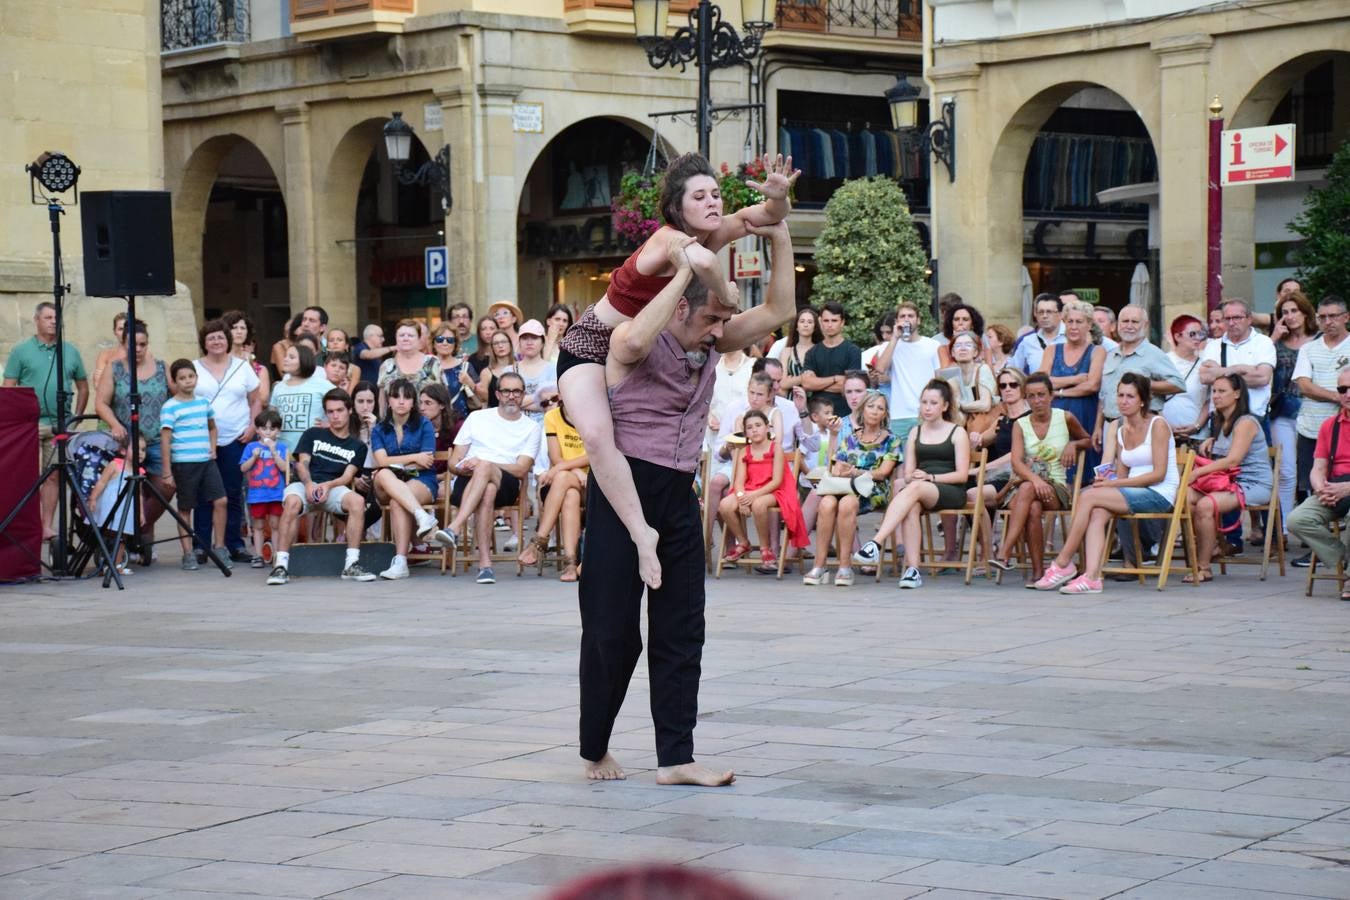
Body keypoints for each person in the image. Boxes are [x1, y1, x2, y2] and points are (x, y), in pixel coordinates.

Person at [579, 216, 795, 787]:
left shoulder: (711, 334)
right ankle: (595, 746)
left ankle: (677, 758)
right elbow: (629, 339)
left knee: (682, 628)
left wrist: (776, 229)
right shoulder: (633, 343)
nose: (718, 331)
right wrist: (682, 274)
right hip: (620, 494)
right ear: (679, 309)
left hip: (676, 493)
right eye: (709, 319)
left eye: (722, 321)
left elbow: (778, 310)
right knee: (611, 632)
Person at [555, 152, 797, 592]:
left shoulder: (714, 231)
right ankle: (639, 531)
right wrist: (728, 296)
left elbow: (761, 216)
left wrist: (779, 200)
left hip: (649, 347)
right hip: (590, 345)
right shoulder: (666, 239)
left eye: (716, 195)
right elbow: (703, 266)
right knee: (595, 435)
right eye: (699, 196)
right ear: (676, 207)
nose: (712, 203)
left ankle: (650, 533)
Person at [1034, 372, 1180, 594]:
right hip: (1133, 490)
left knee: (1088, 496)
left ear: (1142, 400)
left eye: (1130, 396)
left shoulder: (1157, 425)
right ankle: (1092, 577)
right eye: (1120, 395)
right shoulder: (1121, 430)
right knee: (1098, 511)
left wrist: (1111, 486)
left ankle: (1063, 562)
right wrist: (1107, 480)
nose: (1123, 401)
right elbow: (1121, 474)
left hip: (1159, 493)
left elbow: (1159, 474)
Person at [852, 380, 970, 589]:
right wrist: (914, 477)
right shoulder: (916, 431)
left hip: (949, 488)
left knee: (912, 489)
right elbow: (907, 474)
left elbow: (962, 475)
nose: (927, 407)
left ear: (944, 406)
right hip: (920, 488)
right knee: (910, 503)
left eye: (933, 403)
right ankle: (912, 570)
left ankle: (876, 542)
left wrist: (929, 478)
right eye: (924, 402)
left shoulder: (957, 432)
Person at [265, 389, 377, 585]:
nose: (335, 416)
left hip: (334, 487)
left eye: (339, 410)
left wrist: (327, 485)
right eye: (330, 411)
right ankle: (280, 566)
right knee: (291, 502)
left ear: (349, 411)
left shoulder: (357, 446)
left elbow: (347, 476)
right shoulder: (313, 434)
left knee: (357, 501)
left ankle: (352, 564)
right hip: (304, 484)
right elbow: (302, 463)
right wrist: (309, 484)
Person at [988, 373, 1091, 582]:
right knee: (1032, 505)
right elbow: (1016, 461)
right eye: (1032, 396)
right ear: (1026, 398)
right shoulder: (1021, 424)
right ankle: (1037, 573)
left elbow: (1088, 440)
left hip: (1057, 487)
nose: (1037, 401)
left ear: (1051, 395)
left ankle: (1004, 552)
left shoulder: (1065, 418)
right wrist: (1036, 480)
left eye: (1042, 395)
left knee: (1027, 489)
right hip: (1030, 484)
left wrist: (1074, 444)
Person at [442, 372, 540, 584]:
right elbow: (454, 461)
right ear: (497, 394)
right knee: (487, 490)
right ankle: (485, 565)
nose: (511, 396)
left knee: (485, 466)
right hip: (468, 480)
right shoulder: (477, 418)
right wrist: (466, 467)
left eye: (516, 391)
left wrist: (484, 464)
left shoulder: (531, 428)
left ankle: (455, 527)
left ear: (523, 395)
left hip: (507, 483)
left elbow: (521, 469)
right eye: (506, 391)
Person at [3, 301, 89, 541]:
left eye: (56, 318)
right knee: (24, 475)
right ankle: (21, 524)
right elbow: (8, 390)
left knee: (53, 475)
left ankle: (46, 526)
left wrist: (76, 419)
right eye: (48, 317)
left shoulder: (69, 351)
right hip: (29, 425)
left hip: (60, 424)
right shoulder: (21, 351)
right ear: (37, 320)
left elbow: (83, 386)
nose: (53, 322)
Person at [93, 320, 174, 552]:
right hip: (126, 441)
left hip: (157, 440)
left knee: (167, 486)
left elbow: (175, 394)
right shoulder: (114, 367)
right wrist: (114, 424)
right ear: (123, 343)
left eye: (142, 344)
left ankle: (139, 528)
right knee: (121, 487)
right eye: (133, 345)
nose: (137, 349)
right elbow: (101, 403)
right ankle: (121, 533)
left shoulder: (160, 366)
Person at [1185, 373, 1272, 583]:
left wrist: (1197, 472)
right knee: (1184, 497)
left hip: (1253, 483)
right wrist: (1210, 442)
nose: (1216, 396)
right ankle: (1212, 544)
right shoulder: (1220, 421)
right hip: (1228, 482)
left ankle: (1203, 567)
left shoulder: (1246, 422)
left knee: (1205, 505)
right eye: (1214, 391)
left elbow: (1233, 460)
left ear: (1237, 394)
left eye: (1222, 391)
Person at [193, 318, 262, 563]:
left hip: (236, 436)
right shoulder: (194, 368)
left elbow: (256, 399)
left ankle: (234, 544)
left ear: (228, 340)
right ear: (204, 342)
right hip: (202, 439)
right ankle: (201, 545)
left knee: (233, 492)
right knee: (203, 494)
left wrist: (253, 425)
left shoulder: (242, 367)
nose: (216, 341)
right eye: (211, 337)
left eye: (220, 337)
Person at [371, 378, 454, 580]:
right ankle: (421, 515)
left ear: (412, 402)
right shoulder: (379, 429)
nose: (401, 402)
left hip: (422, 479)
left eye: (407, 397)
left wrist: (398, 462)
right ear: (388, 401)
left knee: (397, 500)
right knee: (383, 473)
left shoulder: (423, 424)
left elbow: (425, 462)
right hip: (387, 482)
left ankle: (400, 561)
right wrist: (413, 457)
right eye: (396, 397)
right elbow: (381, 461)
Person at [1291, 295, 1350, 566]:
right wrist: (1337, 397)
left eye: (1334, 316)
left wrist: (1338, 398)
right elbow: (1303, 385)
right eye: (1323, 317)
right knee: (1309, 487)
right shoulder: (1309, 349)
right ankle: (1335, 555)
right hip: (1314, 425)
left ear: (1346, 317)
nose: (1328, 322)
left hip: (1340, 427)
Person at [717, 409, 809, 574]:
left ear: (768, 427)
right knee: (724, 504)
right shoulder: (744, 451)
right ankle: (744, 543)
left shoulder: (776, 449)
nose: (754, 429)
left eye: (758, 425)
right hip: (748, 490)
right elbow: (738, 482)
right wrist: (740, 498)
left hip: (773, 490)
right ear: (745, 432)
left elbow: (777, 481)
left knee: (759, 505)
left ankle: (765, 549)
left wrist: (751, 497)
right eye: (750, 427)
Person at [1286, 366, 1350, 598]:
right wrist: (1320, 488)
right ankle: (1341, 556)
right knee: (1296, 519)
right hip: (1334, 487)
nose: (1348, 394)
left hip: (1347, 487)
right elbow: (1318, 468)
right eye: (1343, 389)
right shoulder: (1329, 426)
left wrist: (1346, 488)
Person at [160, 359, 227, 571]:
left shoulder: (203, 403)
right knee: (186, 507)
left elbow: (212, 428)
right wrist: (167, 470)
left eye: (191, 376)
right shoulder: (170, 407)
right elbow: (165, 439)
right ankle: (188, 552)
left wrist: (213, 447)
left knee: (221, 500)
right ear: (174, 381)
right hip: (184, 463)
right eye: (182, 378)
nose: (188, 381)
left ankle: (219, 546)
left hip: (206, 461)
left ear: (196, 378)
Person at [1094, 304, 1183, 462]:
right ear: (1117, 325)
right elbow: (1104, 396)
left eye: (1134, 322)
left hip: (1139, 426)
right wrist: (1098, 427)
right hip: (1110, 426)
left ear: (1145, 325)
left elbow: (1178, 384)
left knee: (1134, 477)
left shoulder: (1154, 354)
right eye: (1125, 321)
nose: (1129, 326)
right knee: (1109, 476)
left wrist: (1143, 385)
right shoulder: (1111, 354)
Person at [519, 399, 588, 582]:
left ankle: (539, 542)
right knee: (570, 495)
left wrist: (559, 469)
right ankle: (571, 563)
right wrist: (574, 471)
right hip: (564, 482)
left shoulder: (593, 414)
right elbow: (555, 457)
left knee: (562, 479)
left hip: (591, 484)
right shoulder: (552, 416)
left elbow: (595, 453)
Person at [1268, 290, 1317, 541]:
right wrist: (1274, 337)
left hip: (1314, 410)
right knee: (1286, 471)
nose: (1290, 316)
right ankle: (1284, 528)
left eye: (1294, 310)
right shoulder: (1275, 343)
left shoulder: (1318, 340)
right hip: (1282, 412)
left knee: (1312, 472)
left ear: (1305, 312)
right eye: (1285, 312)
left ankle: (1311, 528)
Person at [1040, 300, 1105, 475]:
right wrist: (1076, 378)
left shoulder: (1097, 351)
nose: (1074, 326)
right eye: (1070, 321)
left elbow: (1092, 385)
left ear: (1089, 324)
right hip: (1054, 418)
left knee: (1083, 474)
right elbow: (1042, 382)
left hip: (1085, 416)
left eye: (1079, 322)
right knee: (1054, 472)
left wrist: (1059, 391)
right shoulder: (1052, 350)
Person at [873, 301, 940, 454]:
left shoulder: (933, 345)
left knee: (925, 460)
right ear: (896, 321)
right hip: (899, 415)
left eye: (910, 316)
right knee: (899, 464)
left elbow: (940, 380)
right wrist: (895, 338)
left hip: (927, 413)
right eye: (902, 316)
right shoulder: (889, 346)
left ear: (918, 320)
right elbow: (880, 369)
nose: (906, 319)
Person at [1200, 298, 1277, 426]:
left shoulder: (1263, 342)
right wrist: (1242, 369)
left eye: (1237, 318)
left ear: (1249, 319)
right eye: (1227, 318)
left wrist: (1223, 371)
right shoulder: (1213, 346)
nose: (1231, 323)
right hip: (1221, 418)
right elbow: (1205, 376)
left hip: (1254, 417)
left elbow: (1262, 378)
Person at [86, 434, 143, 575]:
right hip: (110, 507)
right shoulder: (115, 465)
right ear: (123, 451)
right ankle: (104, 562)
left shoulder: (140, 472)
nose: (141, 453)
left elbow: (139, 494)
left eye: (143, 450)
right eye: (137, 449)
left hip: (127, 509)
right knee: (108, 535)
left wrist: (141, 512)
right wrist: (93, 498)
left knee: (122, 538)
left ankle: (116, 565)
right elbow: (102, 482)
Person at [239, 408, 288, 568]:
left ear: (278, 431)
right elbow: (243, 468)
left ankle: (276, 555)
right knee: (257, 526)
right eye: (264, 428)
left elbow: (284, 468)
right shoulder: (250, 447)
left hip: (276, 494)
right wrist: (254, 456)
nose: (268, 432)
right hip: (257, 494)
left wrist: (274, 452)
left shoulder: (281, 448)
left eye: (272, 429)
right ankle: (258, 555)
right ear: (258, 430)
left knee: (275, 525)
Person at [271, 343, 336, 454]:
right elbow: (272, 416)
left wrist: (331, 424)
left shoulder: (323, 385)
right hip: (282, 450)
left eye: (291, 357)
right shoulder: (278, 387)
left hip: (314, 450)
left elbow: (345, 406)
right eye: (285, 356)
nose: (285, 359)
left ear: (304, 360)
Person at [800, 302, 861, 417]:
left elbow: (849, 386)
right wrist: (835, 379)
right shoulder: (812, 353)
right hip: (818, 417)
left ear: (842, 322)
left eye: (834, 321)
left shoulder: (853, 351)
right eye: (826, 320)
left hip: (844, 415)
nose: (829, 325)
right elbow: (807, 384)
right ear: (820, 321)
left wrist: (818, 383)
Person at [1162, 314, 1211, 440]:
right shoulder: (1162, 361)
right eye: (1192, 334)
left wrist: (1196, 426)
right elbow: (1151, 400)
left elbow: (1209, 400)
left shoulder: (1205, 364)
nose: (1197, 338)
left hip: (1197, 435)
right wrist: (1165, 426)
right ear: (1178, 336)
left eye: (1200, 334)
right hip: (1164, 434)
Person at [378, 319, 441, 403]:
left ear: (419, 338)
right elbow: (382, 401)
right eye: (401, 335)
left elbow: (443, 396)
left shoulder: (432, 362)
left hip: (427, 416)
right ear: (396, 338)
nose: (405, 338)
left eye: (410, 335)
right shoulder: (387, 366)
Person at [222, 311, 272, 406]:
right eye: (234, 328)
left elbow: (263, 399)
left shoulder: (256, 366)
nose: (239, 331)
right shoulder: (218, 359)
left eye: (243, 328)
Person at [516, 319, 559, 421]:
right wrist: (541, 397)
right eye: (525, 338)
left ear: (543, 342)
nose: (529, 342)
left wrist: (520, 401)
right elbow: (507, 402)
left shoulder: (553, 369)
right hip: (515, 430)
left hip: (546, 429)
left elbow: (553, 404)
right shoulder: (509, 370)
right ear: (519, 342)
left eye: (534, 338)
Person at [1010, 293, 1065, 373]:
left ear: (1061, 314)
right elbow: (1013, 371)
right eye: (1041, 312)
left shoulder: (1071, 337)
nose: (1044, 316)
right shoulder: (1028, 341)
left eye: (1049, 312)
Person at [777, 306, 821, 395]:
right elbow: (782, 384)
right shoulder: (787, 351)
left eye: (810, 322)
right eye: (802, 321)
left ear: (815, 327)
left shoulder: (821, 350)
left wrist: (792, 380)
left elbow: (822, 380)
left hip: (816, 402)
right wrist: (803, 377)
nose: (805, 325)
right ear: (796, 326)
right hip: (792, 401)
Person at [475, 331, 519, 409]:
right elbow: (484, 403)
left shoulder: (520, 367)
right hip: (494, 416)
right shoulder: (486, 373)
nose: (500, 345)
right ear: (492, 348)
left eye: (503, 342)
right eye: (496, 343)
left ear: (510, 344)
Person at [90, 312, 128, 396]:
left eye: (127, 328)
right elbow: (98, 385)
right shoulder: (105, 355)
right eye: (121, 329)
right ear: (115, 331)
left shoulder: (142, 354)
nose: (124, 332)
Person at [937, 303, 986, 368]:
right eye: (956, 319)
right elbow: (947, 373)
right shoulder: (943, 349)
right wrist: (955, 340)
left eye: (965, 319)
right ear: (951, 324)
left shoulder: (982, 346)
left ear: (972, 324)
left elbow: (989, 372)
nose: (960, 323)